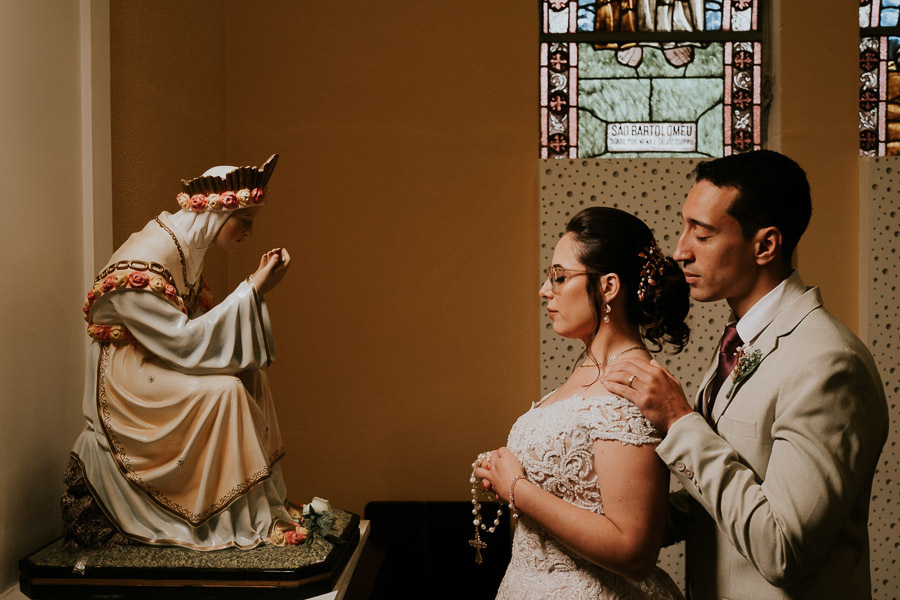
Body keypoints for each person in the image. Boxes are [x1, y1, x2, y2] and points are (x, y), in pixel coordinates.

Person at [603, 150, 889, 598]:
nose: (680, 251)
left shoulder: (829, 363)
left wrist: (679, 421)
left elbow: (781, 548)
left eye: (702, 234)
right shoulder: (739, 342)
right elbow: (725, 504)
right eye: (684, 228)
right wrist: (607, 517)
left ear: (765, 246)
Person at [63, 155, 299, 550]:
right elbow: (183, 343)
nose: (248, 233)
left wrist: (256, 289)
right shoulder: (148, 256)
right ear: (216, 212)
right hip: (128, 377)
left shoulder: (187, 248)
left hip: (160, 358)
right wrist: (251, 289)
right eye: (244, 221)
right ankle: (232, 515)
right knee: (225, 393)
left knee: (251, 376)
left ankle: (264, 504)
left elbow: (192, 332)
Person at [475, 207, 689, 599]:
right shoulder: (585, 372)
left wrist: (518, 489)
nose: (545, 290)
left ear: (608, 287)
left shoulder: (633, 385)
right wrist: (506, 475)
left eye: (559, 277)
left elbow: (633, 551)